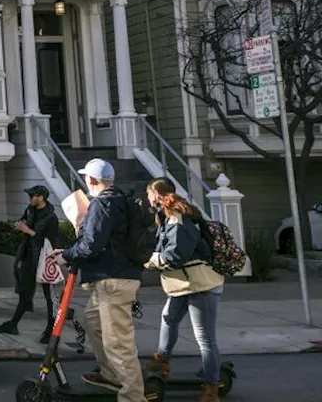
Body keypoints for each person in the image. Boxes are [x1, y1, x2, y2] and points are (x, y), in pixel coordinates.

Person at [53, 158, 147, 402]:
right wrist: (69, 250)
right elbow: (102, 240)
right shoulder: (120, 200)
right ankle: (112, 375)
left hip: (112, 280)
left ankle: (133, 397)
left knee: (118, 344)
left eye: (86, 178)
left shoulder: (103, 204)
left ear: (92, 180)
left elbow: (92, 244)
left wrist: (66, 256)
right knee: (92, 321)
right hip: (115, 277)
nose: (86, 181)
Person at [144, 179, 224, 402]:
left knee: (205, 339)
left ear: (158, 195)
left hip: (200, 284)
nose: (147, 199)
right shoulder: (167, 217)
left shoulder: (179, 218)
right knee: (168, 318)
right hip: (182, 284)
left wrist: (150, 261)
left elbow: (176, 255)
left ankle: (212, 389)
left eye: (149, 194)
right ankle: (161, 360)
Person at [0, 184, 62, 343]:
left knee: (49, 296)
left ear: (41, 197)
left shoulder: (51, 217)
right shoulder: (31, 209)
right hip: (28, 255)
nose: (29, 198)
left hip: (44, 258)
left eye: (32, 195)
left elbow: (51, 241)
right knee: (25, 291)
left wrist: (28, 231)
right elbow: (25, 220)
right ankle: (13, 324)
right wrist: (20, 224)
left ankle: (51, 330)